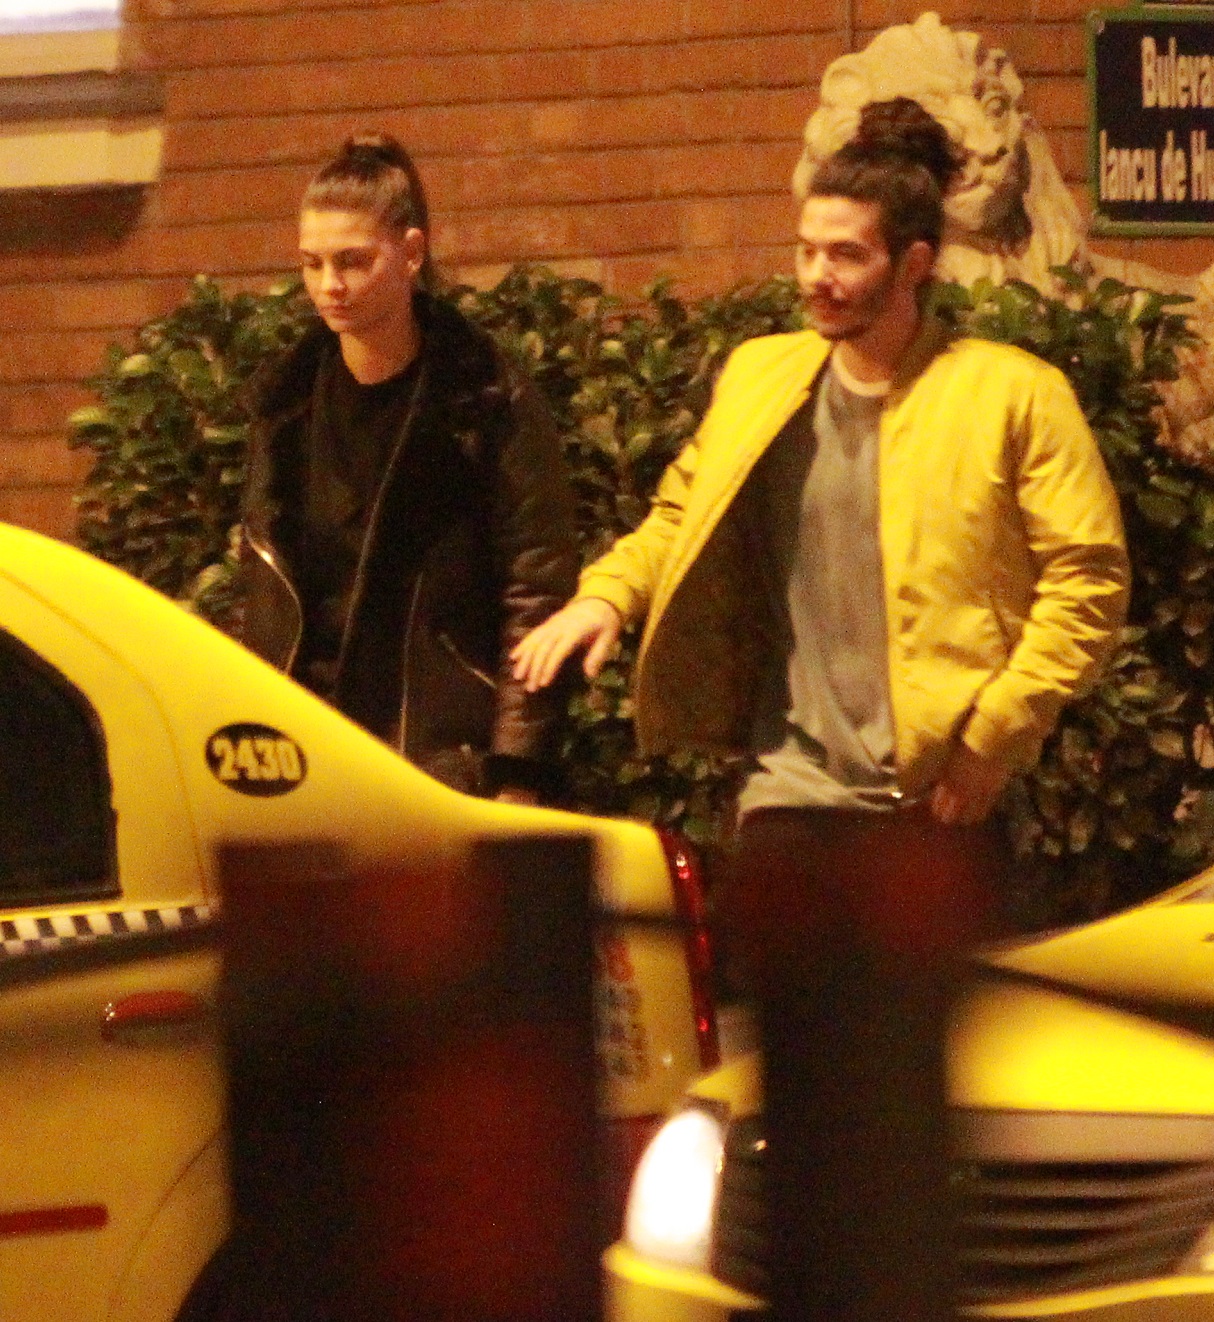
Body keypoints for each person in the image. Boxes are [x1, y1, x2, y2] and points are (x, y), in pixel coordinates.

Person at [512, 99, 1130, 1319]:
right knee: (795, 1124)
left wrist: (995, 737)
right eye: (804, 249)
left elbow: (1087, 577)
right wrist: (603, 597)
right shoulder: (764, 378)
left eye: (844, 254)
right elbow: (680, 510)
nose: (815, 275)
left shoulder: (1007, 394)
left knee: (924, 1130)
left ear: (914, 262)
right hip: (787, 798)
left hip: (930, 802)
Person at [239, 133, 578, 804]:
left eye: (352, 261)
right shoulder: (285, 404)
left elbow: (536, 587)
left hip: (444, 754)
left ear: (412, 253)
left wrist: (516, 769)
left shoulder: (483, 397)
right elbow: (261, 592)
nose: (329, 286)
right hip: (306, 751)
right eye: (311, 263)